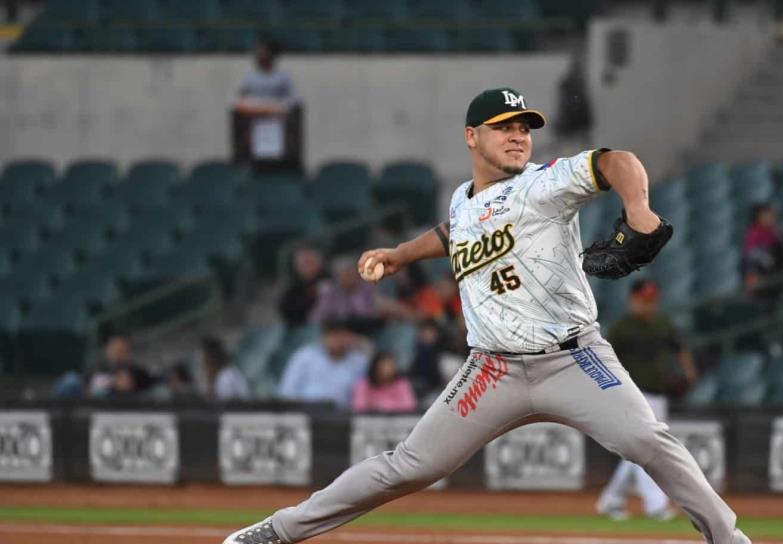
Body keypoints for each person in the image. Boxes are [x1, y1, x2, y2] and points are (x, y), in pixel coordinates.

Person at [224, 88, 748, 544]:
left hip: (574, 359)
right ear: (472, 136)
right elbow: (451, 232)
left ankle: (730, 540)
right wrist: (398, 255)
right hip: (491, 370)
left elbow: (617, 161)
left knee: (649, 441)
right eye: (504, 127)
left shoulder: (545, 184)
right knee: (408, 467)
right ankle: (281, 530)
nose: (518, 135)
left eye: (524, 127)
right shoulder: (463, 200)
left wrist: (638, 208)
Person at [597, 279, 697, 521]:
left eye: (652, 300)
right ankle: (656, 505)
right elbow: (605, 358)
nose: (649, 304)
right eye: (645, 300)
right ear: (633, 299)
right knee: (648, 447)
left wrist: (689, 371)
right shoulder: (623, 328)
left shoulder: (662, 324)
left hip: (658, 394)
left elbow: (679, 348)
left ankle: (611, 500)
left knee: (639, 449)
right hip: (632, 395)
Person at [276, 319, 369, 407]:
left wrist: (364, 345)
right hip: (305, 412)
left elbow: (368, 392)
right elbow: (287, 390)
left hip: (342, 416)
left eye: (344, 335)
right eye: (335, 335)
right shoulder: (305, 355)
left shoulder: (359, 361)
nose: (339, 340)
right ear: (325, 336)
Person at [308, 257, 381, 330]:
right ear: (337, 277)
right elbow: (315, 317)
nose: (350, 278)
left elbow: (374, 312)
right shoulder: (330, 293)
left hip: (368, 329)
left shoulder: (368, 289)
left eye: (351, 274)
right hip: (339, 331)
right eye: (345, 275)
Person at [234, 39, 297, 115]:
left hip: (277, 117)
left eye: (263, 53)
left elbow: (292, 99)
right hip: (253, 117)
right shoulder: (250, 77)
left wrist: (273, 107)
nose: (259, 57)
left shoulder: (283, 77)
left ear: (272, 56)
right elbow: (241, 98)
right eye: (258, 54)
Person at [351, 351, 417, 413]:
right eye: (383, 366)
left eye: (390, 365)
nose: (387, 369)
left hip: (397, 422)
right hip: (370, 422)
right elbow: (358, 406)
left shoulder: (402, 384)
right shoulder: (364, 383)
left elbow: (409, 406)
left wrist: (380, 405)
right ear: (375, 367)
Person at [277, 247, 327, 328]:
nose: (309, 268)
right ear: (297, 268)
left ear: (320, 264)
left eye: (311, 263)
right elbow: (289, 313)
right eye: (305, 264)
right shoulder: (291, 292)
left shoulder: (334, 282)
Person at [742, 203, 781, 293]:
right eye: (767, 215)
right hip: (756, 271)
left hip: (770, 272)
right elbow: (751, 254)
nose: (771, 218)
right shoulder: (754, 232)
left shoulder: (774, 232)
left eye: (772, 215)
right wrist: (766, 258)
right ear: (759, 217)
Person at [200, 336, 250, 401]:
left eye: (204, 359)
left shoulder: (226, 377)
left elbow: (228, 406)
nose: (202, 364)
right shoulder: (225, 374)